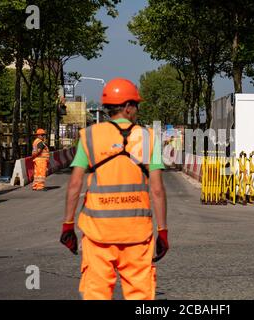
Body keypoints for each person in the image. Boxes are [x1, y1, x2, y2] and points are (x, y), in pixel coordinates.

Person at [60, 78, 168, 300]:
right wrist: (163, 231)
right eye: (136, 105)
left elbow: (74, 185)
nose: (137, 110)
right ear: (128, 107)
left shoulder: (90, 136)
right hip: (137, 235)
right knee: (141, 298)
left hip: (98, 235)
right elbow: (157, 190)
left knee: (96, 294)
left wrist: (68, 225)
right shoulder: (146, 137)